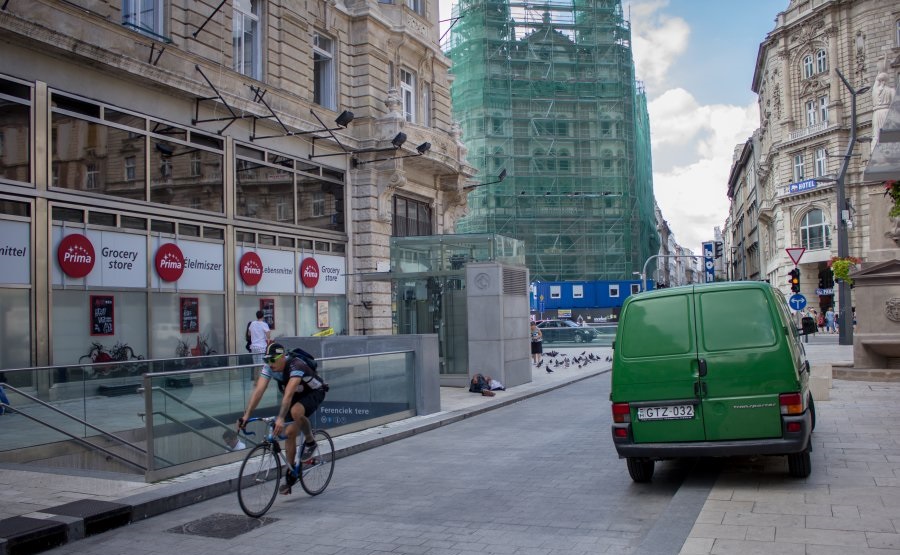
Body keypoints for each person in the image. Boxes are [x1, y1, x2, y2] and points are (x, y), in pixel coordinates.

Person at [238, 343, 328, 495]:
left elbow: (288, 394)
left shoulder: (296, 365)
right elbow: (258, 391)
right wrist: (246, 415)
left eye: (272, 360)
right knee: (290, 432)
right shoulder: (269, 367)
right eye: (266, 360)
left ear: (282, 357)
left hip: (314, 392)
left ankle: (310, 441)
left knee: (295, 411)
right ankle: (291, 474)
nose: (270, 363)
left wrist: (280, 418)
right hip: (295, 395)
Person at [872, 72, 896, 146]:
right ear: (886, 80)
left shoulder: (875, 90)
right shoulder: (891, 90)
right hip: (887, 112)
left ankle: (877, 147)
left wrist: (879, 74)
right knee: (887, 131)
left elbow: (876, 83)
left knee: (877, 134)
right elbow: (894, 105)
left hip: (877, 114)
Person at [247, 310, 272, 378]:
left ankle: (255, 381)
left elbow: (249, 334)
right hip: (261, 347)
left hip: (254, 347)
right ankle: (260, 381)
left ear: (256, 316)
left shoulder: (252, 323)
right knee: (261, 366)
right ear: (263, 316)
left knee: (255, 366)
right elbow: (268, 336)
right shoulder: (264, 324)